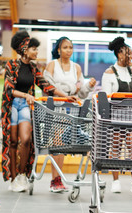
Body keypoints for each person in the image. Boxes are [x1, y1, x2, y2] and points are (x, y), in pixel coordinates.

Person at [1, 31, 77, 192]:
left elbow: (46, 86)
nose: (36, 52)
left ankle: (22, 175)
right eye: (33, 49)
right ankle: (14, 179)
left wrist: (66, 96)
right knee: (13, 142)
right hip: (11, 105)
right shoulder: (11, 65)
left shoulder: (33, 68)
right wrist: (26, 95)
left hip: (26, 106)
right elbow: (9, 89)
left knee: (27, 139)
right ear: (24, 49)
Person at [44, 36, 97, 192]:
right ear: (58, 49)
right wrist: (64, 95)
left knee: (65, 144)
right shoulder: (52, 65)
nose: (68, 50)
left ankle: (58, 178)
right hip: (55, 107)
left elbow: (80, 93)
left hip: (71, 109)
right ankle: (55, 180)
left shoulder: (76, 68)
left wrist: (89, 85)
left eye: (71, 47)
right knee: (57, 143)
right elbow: (48, 87)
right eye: (65, 47)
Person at [101, 37, 132, 194]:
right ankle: (115, 181)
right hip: (115, 115)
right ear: (119, 54)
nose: (130, 57)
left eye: (131, 54)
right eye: (127, 54)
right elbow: (106, 97)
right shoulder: (109, 73)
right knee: (116, 146)